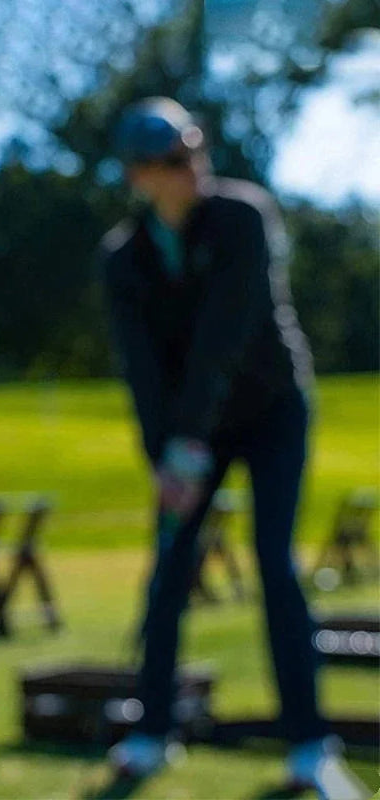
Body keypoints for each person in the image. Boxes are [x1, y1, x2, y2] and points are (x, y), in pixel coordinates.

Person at [99, 97, 357, 793]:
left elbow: (224, 333)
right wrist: (165, 458)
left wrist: (185, 442)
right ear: (139, 175)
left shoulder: (244, 216)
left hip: (273, 410)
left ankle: (310, 745)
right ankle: (152, 732)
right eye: (170, 161)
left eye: (192, 152)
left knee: (276, 564)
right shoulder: (123, 260)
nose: (190, 168)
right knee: (169, 565)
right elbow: (143, 371)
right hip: (188, 428)